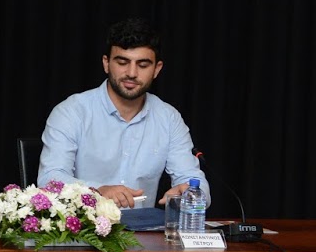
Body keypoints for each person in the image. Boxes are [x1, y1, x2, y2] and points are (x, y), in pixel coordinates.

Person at [37, 18, 207, 208]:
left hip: (143, 227)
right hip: (83, 225)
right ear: (106, 63)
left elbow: (192, 179)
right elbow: (50, 179)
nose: (132, 73)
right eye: (122, 62)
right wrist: (97, 190)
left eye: (143, 65)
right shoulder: (72, 112)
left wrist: (190, 192)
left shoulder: (168, 118)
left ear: (156, 69)